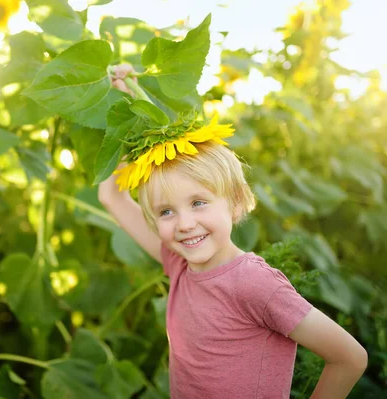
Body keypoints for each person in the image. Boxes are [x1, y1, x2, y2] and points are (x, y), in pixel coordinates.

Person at [98, 64, 368, 398]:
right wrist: (126, 104)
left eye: (198, 202)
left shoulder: (254, 284)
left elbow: (349, 358)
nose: (184, 223)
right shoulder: (179, 264)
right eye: (166, 211)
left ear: (236, 202)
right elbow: (110, 195)